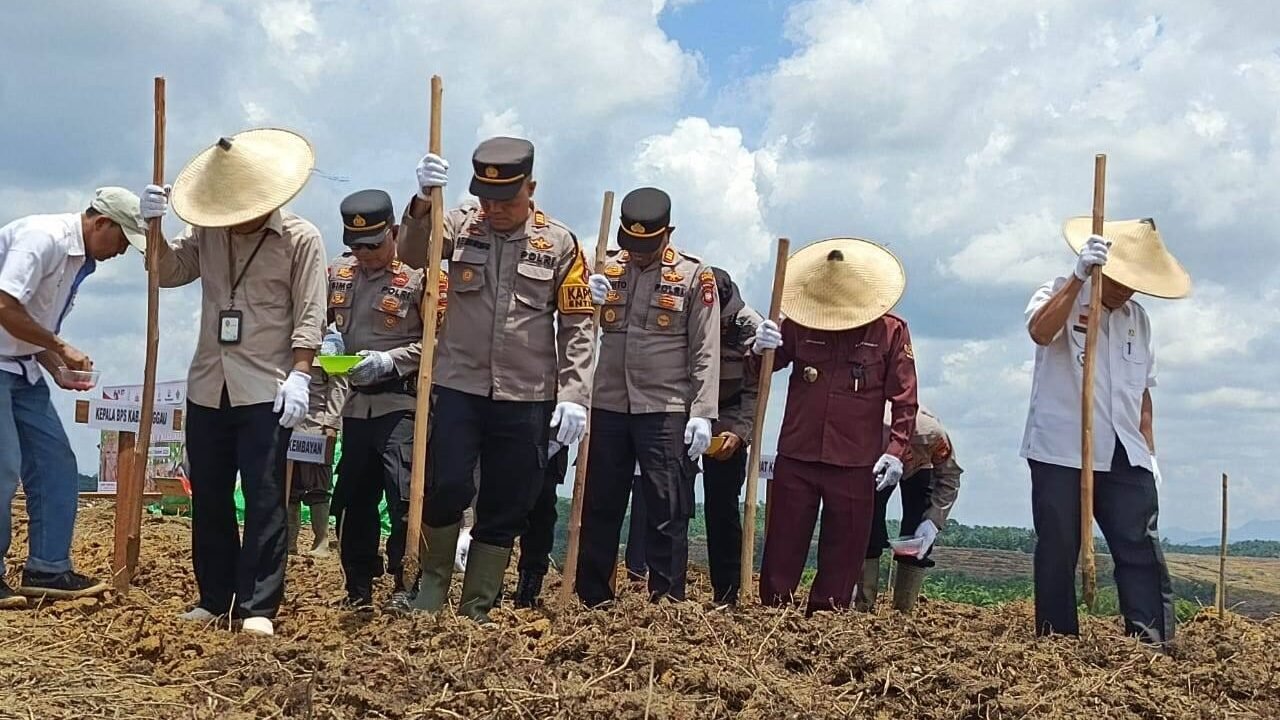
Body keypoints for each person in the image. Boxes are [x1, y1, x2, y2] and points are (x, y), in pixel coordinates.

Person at [400, 137, 595, 623]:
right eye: (486, 199)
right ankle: (430, 589)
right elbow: (410, 253)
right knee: (445, 487)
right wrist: (423, 202)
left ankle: (476, 608)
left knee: (507, 502)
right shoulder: (459, 222)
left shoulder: (562, 244)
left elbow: (577, 325)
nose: (495, 209)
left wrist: (574, 395)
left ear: (530, 188)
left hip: (526, 396)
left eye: (507, 200)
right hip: (459, 384)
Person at [143, 128, 328, 636]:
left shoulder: (300, 239)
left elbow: (311, 314)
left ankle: (259, 606)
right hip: (209, 383)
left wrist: (300, 374)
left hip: (267, 387)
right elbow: (167, 271)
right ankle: (214, 596)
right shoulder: (209, 232)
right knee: (211, 493)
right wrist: (152, 228)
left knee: (266, 494)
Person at [1022, 217, 1190, 646]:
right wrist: (1078, 279)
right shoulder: (1059, 291)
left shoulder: (1138, 319)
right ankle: (1057, 640)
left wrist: (1149, 455)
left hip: (1123, 449)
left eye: (1135, 283)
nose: (1125, 290)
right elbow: (1040, 332)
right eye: (1119, 280)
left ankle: (1152, 640)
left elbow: (1144, 395)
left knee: (1140, 542)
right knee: (1059, 546)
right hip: (1063, 448)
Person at [751, 237, 917, 615]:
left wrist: (895, 451)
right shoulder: (797, 324)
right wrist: (760, 347)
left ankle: (827, 622)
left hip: (855, 461)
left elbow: (905, 398)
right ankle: (773, 617)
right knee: (782, 545)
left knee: (845, 551)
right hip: (798, 453)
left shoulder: (890, 331)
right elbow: (757, 371)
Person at [0, 187, 148, 607]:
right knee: (3, 466)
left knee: (55, 461)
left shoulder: (80, 260)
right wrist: (60, 347)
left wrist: (54, 364)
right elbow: (3, 304)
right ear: (101, 222)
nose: (121, 251)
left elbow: (21, 322)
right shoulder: (41, 238)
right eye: (122, 239)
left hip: (21, 369)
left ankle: (47, 568)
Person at [574, 187, 720, 607]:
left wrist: (703, 412)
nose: (637, 253)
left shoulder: (693, 276)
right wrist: (588, 299)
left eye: (647, 245)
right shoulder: (606, 267)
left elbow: (705, 348)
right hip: (609, 402)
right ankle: (593, 598)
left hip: (665, 407)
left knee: (666, 506)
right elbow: (579, 331)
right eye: (630, 244)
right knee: (600, 504)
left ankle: (667, 599)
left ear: (667, 233)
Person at [318, 188, 433, 612]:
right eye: (356, 246)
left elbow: (439, 344)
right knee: (353, 498)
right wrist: (327, 343)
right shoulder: (339, 274)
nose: (364, 254)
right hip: (355, 406)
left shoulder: (419, 279)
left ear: (395, 233)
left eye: (373, 244)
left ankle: (406, 584)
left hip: (400, 405)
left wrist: (391, 360)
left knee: (404, 497)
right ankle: (358, 586)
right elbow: (320, 322)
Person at [622, 266, 763, 604]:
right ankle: (669, 591)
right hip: (682, 412)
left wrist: (740, 433)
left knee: (722, 507)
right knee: (673, 502)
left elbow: (755, 390)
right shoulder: (681, 308)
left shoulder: (750, 328)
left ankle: (727, 593)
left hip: (728, 416)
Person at [856, 404, 962, 614]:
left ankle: (902, 612)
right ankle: (863, 607)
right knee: (868, 523)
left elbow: (949, 477)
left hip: (921, 467)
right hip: (877, 466)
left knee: (917, 531)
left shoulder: (933, 436)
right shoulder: (869, 428)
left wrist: (934, 520)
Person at [286, 352, 347, 559]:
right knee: (289, 489)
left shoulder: (332, 345)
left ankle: (321, 541)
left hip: (318, 428)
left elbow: (339, 386)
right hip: (289, 427)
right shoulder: (288, 343)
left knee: (319, 487)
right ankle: (289, 543)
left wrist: (331, 423)